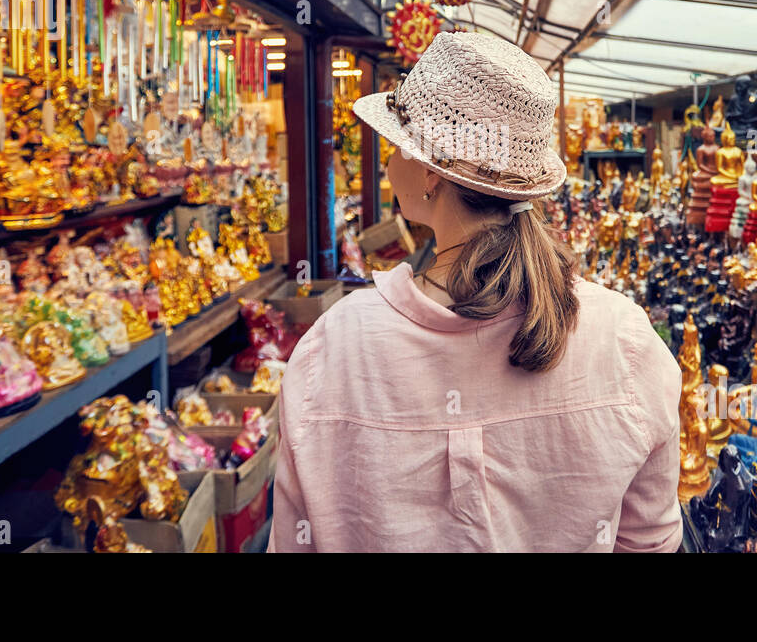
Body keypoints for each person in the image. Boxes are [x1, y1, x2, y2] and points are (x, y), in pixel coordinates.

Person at [268, 32, 682, 552]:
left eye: (398, 145)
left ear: (432, 175)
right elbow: (650, 540)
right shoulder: (625, 339)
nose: (388, 161)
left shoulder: (336, 347)